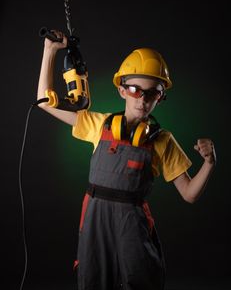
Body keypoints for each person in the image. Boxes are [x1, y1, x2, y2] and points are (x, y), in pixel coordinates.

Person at [37, 30, 216, 290]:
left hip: (132, 226)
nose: (142, 99)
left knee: (139, 279)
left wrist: (209, 163)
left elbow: (189, 194)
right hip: (95, 221)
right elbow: (44, 102)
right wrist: (50, 51)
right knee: (93, 279)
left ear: (160, 97)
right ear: (121, 90)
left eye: (152, 93)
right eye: (134, 89)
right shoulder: (99, 125)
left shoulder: (162, 140)